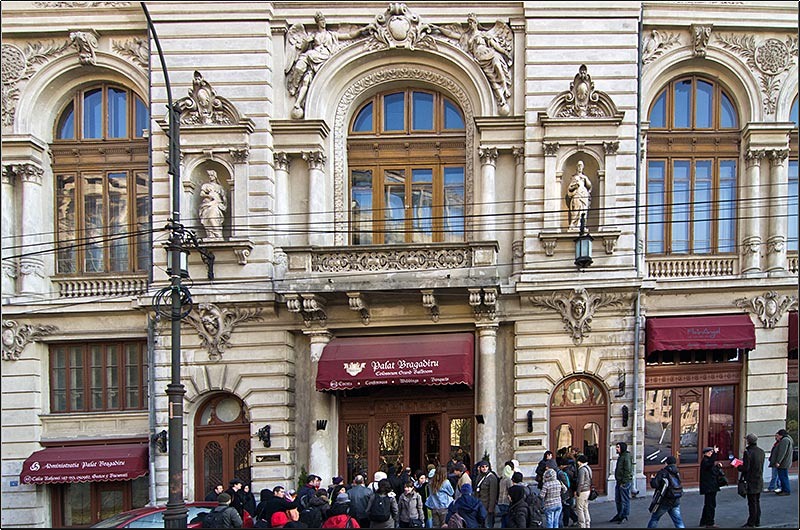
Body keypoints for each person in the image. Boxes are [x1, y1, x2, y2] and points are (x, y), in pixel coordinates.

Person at [284, 12, 366, 118]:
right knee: (301, 71)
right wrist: (306, 42)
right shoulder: (313, 35)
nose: (322, 23)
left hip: (323, 57)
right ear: (317, 23)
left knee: (307, 80)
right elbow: (303, 47)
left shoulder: (331, 35)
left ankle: (297, 101)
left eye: (323, 21)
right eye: (320, 21)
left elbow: (349, 35)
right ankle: (294, 89)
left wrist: (362, 30)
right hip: (312, 55)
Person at [646, 456, 685, 528]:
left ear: (666, 463)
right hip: (675, 500)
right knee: (678, 521)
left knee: (655, 518)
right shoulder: (677, 472)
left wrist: (652, 479)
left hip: (664, 500)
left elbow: (655, 485)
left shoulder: (663, 472)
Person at [739, 433, 765, 527]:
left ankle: (751, 522)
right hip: (759, 478)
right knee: (757, 501)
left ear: (748, 441)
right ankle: (757, 521)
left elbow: (746, 468)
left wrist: (738, 466)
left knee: (752, 503)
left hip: (750, 480)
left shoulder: (748, 452)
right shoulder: (761, 451)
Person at [199, 169, 226, 239]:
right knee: (207, 219)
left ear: (215, 176)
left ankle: (218, 234)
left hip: (217, 204)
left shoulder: (219, 187)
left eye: (211, 175)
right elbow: (202, 194)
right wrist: (209, 196)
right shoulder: (206, 185)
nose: (210, 177)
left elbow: (224, 197)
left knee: (212, 218)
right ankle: (210, 235)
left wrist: (224, 204)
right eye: (209, 175)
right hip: (208, 203)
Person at [698, 446, 722, 528]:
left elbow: (712, 470)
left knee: (708, 504)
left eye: (712, 452)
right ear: (706, 453)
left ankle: (704, 521)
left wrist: (718, 466)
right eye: (710, 452)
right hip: (709, 487)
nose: (711, 453)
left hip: (710, 486)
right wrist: (715, 453)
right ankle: (710, 523)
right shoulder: (705, 461)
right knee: (710, 505)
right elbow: (710, 464)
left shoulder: (707, 461)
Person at [610, 442, 633, 524]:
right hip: (619, 481)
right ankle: (619, 514)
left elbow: (628, 470)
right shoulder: (621, 456)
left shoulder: (626, 457)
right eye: (616, 447)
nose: (616, 449)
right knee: (618, 500)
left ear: (622, 448)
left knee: (624, 500)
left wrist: (623, 482)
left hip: (624, 482)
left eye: (618, 447)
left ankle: (624, 515)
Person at [567, 161, 592, 231]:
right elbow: (570, 188)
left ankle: (582, 224)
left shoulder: (584, 177)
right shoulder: (575, 178)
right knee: (576, 209)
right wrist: (575, 186)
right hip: (577, 194)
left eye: (581, 166)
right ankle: (574, 224)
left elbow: (589, 186)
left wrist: (585, 178)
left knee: (583, 210)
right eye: (578, 166)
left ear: (583, 167)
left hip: (584, 194)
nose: (580, 168)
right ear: (576, 167)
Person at [474, 460, 499, 528]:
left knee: (487, 525)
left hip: (487, 506)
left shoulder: (492, 478)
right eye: (483, 467)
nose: (484, 468)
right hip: (479, 505)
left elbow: (493, 494)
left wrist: (491, 508)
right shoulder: (479, 477)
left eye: (486, 466)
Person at [771, 429, 793, 495]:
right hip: (784, 462)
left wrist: (778, 461)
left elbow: (782, 452)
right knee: (783, 476)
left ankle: (786, 490)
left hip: (783, 463)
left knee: (783, 477)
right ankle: (784, 489)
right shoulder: (787, 439)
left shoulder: (784, 440)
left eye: (778, 435)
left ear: (781, 435)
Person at [575, 454, 593, 528]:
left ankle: (582, 525)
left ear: (580, 462)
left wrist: (578, 492)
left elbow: (581, 482)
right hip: (587, 490)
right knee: (585, 508)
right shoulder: (588, 468)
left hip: (582, 491)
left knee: (579, 509)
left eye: (578, 461)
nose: (577, 463)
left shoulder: (582, 469)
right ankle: (587, 524)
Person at [496, 461, 515, 528]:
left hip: (500, 502)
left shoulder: (502, 479)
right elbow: (511, 490)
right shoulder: (508, 480)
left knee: (503, 519)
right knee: (507, 519)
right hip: (506, 501)